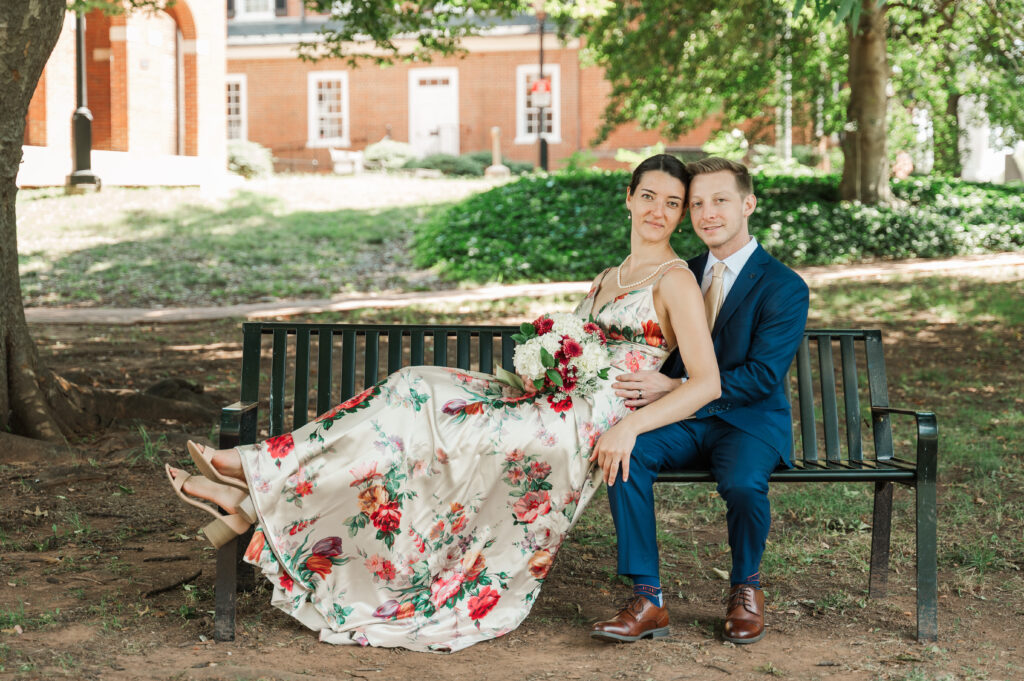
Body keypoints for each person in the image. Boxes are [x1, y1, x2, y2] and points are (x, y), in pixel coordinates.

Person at [165, 154, 721, 652]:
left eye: (672, 204)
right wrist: (541, 367)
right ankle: (252, 494)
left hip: (581, 422)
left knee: (428, 433)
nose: (658, 211)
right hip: (549, 398)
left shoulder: (676, 281)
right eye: (649, 196)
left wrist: (629, 428)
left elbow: (706, 383)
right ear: (628, 197)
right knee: (414, 387)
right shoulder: (611, 275)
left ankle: (250, 482)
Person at [591, 157, 809, 645]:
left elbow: (760, 376)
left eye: (721, 201)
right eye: (697, 204)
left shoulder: (783, 286)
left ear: (748, 204)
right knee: (627, 454)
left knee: (744, 483)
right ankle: (648, 598)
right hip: (688, 420)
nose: (707, 213)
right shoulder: (679, 273)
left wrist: (674, 388)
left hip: (747, 421)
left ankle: (746, 589)